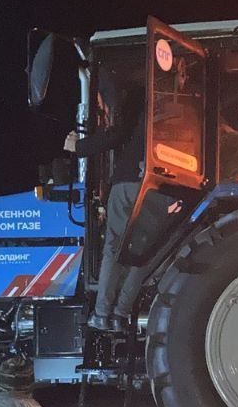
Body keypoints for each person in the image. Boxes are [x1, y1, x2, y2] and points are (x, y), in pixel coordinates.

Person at [65, 86, 169, 332]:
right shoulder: (181, 104)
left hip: (129, 181)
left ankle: (102, 313)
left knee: (114, 247)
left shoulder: (141, 94)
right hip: (161, 186)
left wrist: (78, 146)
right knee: (143, 254)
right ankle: (120, 313)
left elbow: (117, 134)